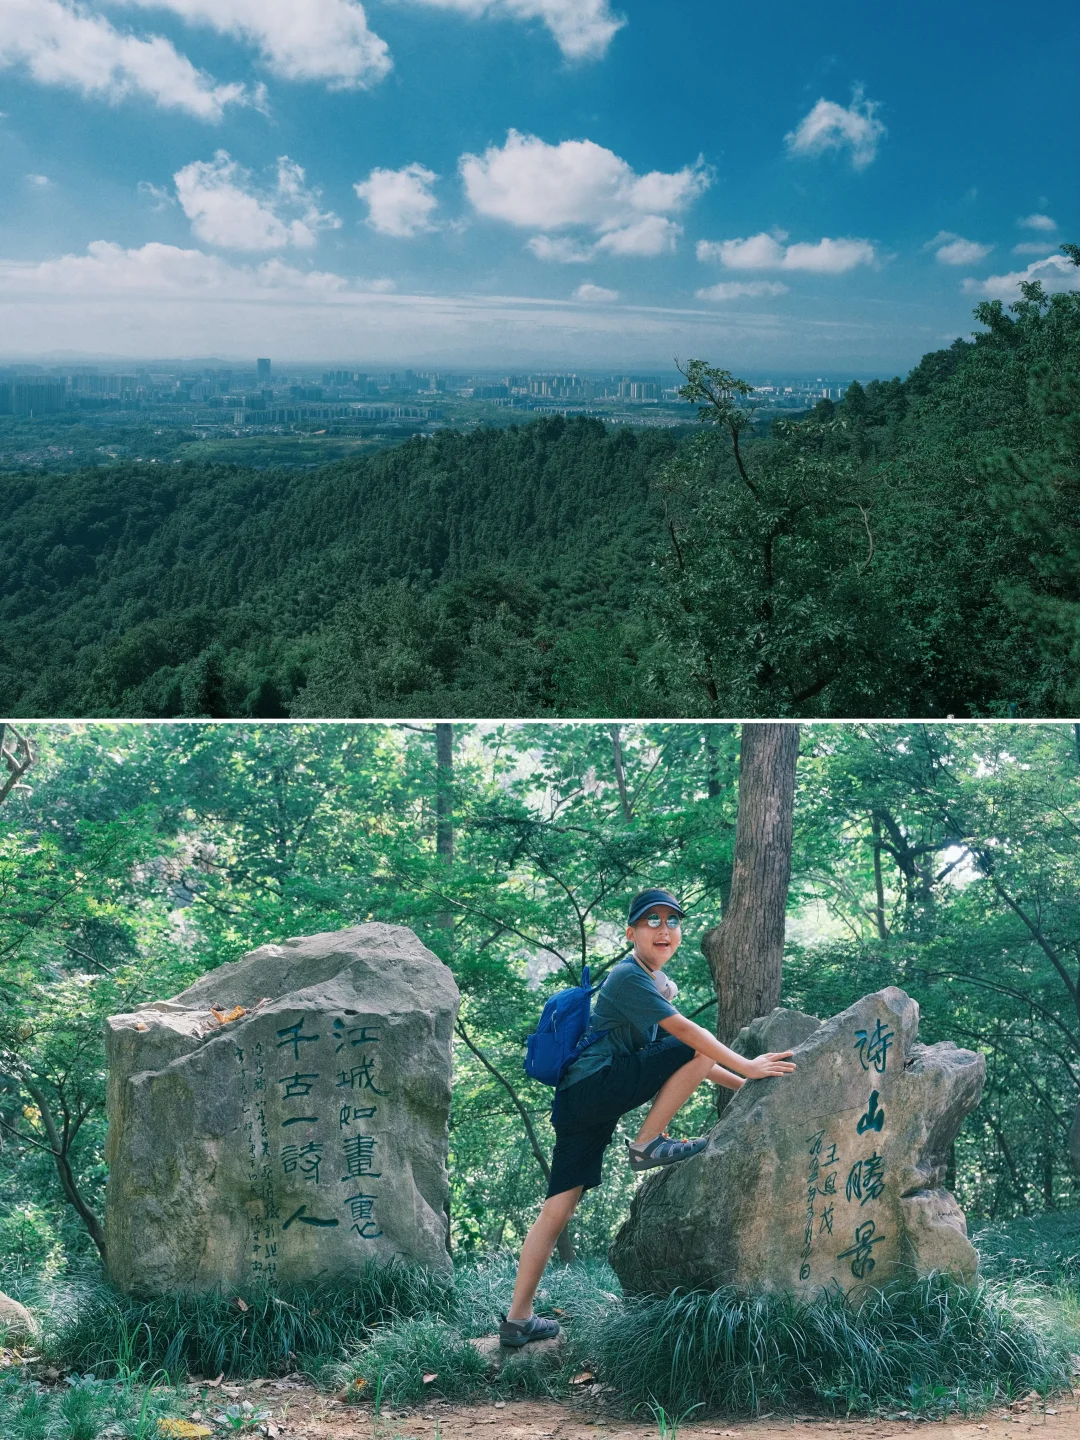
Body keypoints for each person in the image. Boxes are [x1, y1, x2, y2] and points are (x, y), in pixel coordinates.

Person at [499, 887, 797, 1348]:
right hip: (594, 1088)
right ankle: (647, 1144)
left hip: (580, 1097)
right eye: (652, 921)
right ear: (631, 933)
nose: (664, 930)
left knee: (558, 1208)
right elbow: (688, 1036)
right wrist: (750, 1067)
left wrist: (750, 1086)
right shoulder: (627, 978)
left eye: (672, 921)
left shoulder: (649, 983)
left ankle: (518, 1322)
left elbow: (689, 1059)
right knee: (693, 1041)